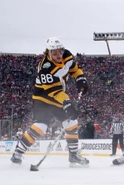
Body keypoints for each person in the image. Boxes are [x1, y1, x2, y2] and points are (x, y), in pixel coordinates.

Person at [10, 37, 89, 167]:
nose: (58, 55)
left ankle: (73, 155)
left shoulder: (67, 55)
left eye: (59, 52)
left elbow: (74, 69)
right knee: (41, 126)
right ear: (48, 52)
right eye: (54, 53)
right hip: (43, 98)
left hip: (58, 97)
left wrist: (80, 78)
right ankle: (18, 153)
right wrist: (67, 103)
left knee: (71, 123)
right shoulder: (45, 68)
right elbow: (55, 91)